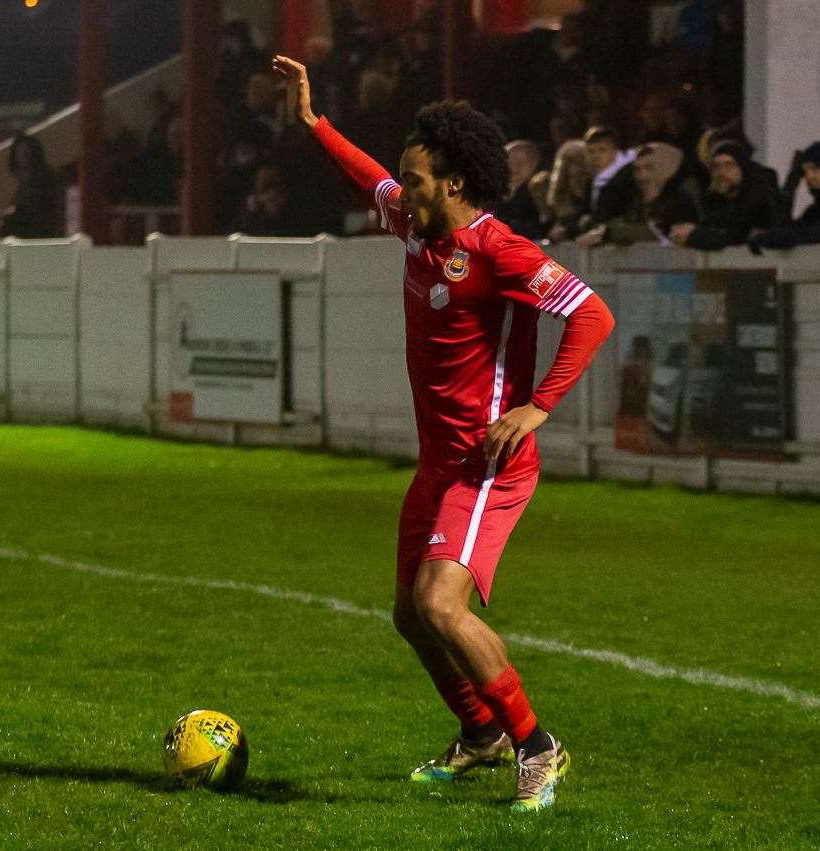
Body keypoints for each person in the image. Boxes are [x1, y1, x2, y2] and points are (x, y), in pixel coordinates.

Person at [273, 54, 615, 813]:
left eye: (416, 176)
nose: (400, 187)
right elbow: (368, 178)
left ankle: (537, 747)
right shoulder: (413, 220)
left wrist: (539, 407)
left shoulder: (501, 252)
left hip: (489, 462)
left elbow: (593, 314)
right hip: (439, 463)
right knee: (408, 615)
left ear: (454, 184)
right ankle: (481, 734)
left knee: (438, 606)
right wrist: (313, 122)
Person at [577, 143, 697, 247]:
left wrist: (607, 233)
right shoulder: (630, 200)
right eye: (637, 170)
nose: (642, 176)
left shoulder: (679, 202)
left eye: (649, 168)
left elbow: (662, 234)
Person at [669, 140, 781, 250]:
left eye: (729, 165)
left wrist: (694, 234)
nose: (721, 172)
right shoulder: (717, 200)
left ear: (743, 168)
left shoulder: (759, 197)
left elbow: (737, 236)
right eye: (716, 166)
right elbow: (715, 228)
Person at [749, 142, 820, 251]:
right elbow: (783, 228)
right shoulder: (815, 211)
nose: (809, 176)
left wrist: (781, 237)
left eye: (815, 169)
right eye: (804, 172)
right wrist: (790, 186)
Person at [0, 133, 59, 239]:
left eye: (26, 151)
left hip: (37, 231)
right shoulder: (22, 183)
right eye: (20, 152)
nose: (23, 155)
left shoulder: (44, 179)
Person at [578, 126, 638, 235]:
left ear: (615, 151)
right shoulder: (590, 182)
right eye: (591, 151)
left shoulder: (627, 181)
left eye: (602, 150)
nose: (596, 156)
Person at [496, 140, 543, 240]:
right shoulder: (487, 196)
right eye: (509, 163)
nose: (513, 168)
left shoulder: (540, 193)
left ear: (534, 164)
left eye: (519, 163)